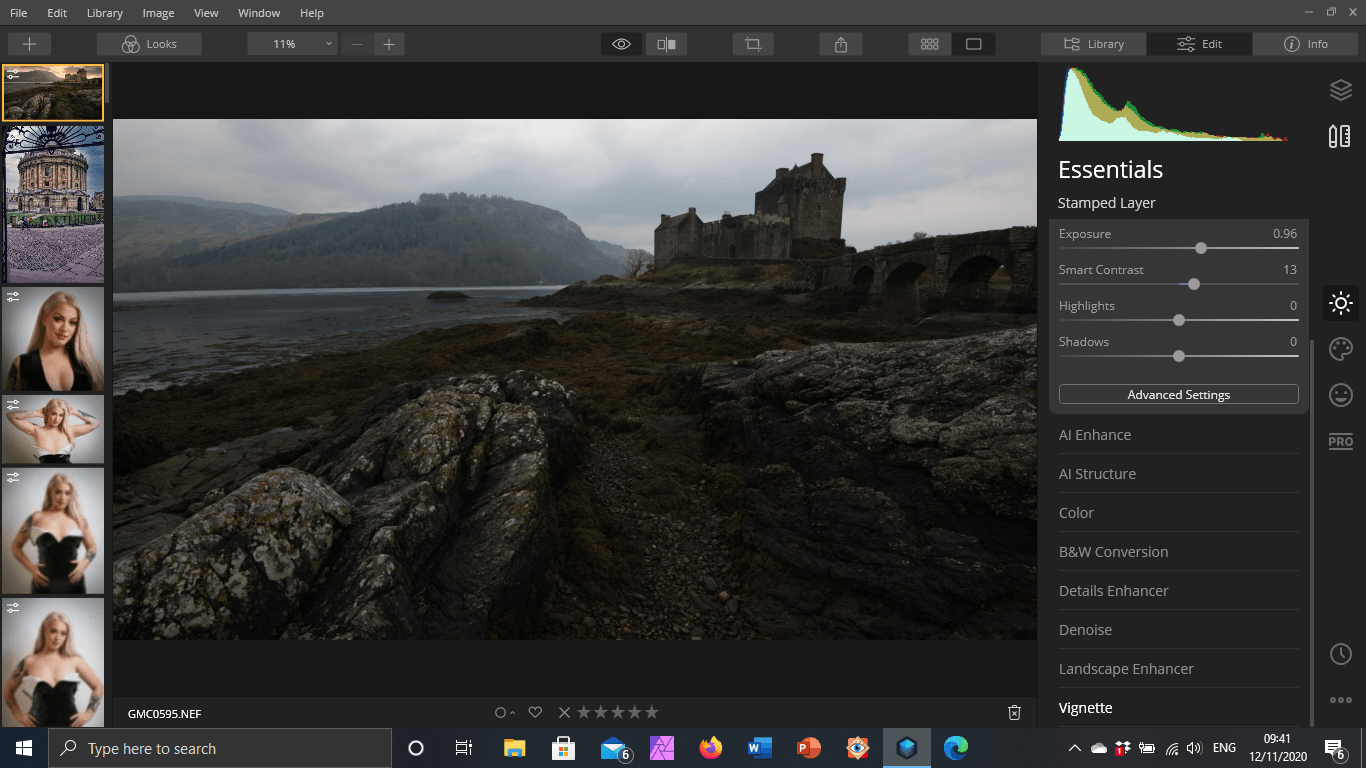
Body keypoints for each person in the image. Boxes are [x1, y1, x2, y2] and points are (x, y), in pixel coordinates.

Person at [2, 611, 103, 727]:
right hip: (37, 728)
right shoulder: (29, 661)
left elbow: (98, 686)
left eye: (63, 633)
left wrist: (88, 714)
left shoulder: (75, 661)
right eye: (53, 631)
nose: (57, 638)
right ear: (44, 631)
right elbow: (7, 690)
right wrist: (18, 715)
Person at [10, 474, 98, 594]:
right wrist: (31, 568)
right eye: (58, 492)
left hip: (74, 583)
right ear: (50, 492)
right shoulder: (36, 518)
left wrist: (83, 565)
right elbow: (16, 546)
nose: (63, 497)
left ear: (71, 495)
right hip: (43, 583)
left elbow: (92, 547)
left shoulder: (78, 520)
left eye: (67, 493)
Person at [4, 291, 104, 392]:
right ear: (44, 319)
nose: (64, 328)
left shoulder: (87, 365)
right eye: (58, 319)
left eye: (72, 322)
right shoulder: (21, 364)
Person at [4, 399, 100, 464]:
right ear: (47, 413)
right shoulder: (36, 429)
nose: (57, 419)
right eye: (54, 414)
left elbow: (95, 423)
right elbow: (11, 416)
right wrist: (36, 413)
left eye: (61, 415)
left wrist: (74, 411)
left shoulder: (69, 430)